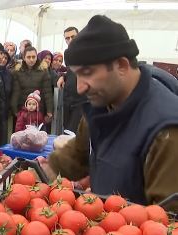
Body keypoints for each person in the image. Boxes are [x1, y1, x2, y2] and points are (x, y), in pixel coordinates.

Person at [39, 15, 178, 209]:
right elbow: (79, 154)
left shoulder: (166, 130)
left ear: (121, 65)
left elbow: (167, 223)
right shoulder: (101, 104)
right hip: (102, 224)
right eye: (76, 74)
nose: (80, 88)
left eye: (87, 73)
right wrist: (46, 170)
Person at [10, 46, 53, 124]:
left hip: (38, 111)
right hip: (22, 111)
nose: (31, 59)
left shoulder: (43, 71)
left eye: (34, 57)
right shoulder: (17, 71)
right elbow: (16, 91)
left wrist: (49, 111)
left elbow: (47, 92)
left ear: (37, 57)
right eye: (28, 57)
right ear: (24, 57)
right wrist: (14, 109)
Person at [57, 26, 88, 133]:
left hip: (81, 100)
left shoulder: (88, 52)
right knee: (66, 131)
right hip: (67, 100)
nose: (70, 40)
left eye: (73, 37)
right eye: (67, 38)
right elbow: (71, 71)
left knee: (74, 134)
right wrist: (63, 76)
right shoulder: (67, 53)